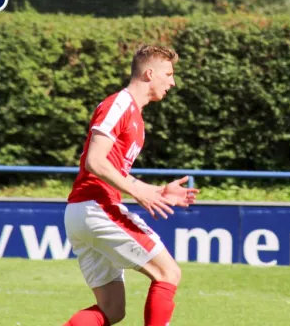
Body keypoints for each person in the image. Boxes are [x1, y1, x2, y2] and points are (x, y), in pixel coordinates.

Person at [63, 45, 199, 326]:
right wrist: (139, 190)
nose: (172, 81)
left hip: (82, 211)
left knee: (112, 310)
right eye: (169, 73)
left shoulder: (135, 115)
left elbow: (112, 168)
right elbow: (95, 161)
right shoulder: (119, 104)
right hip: (96, 207)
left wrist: (159, 192)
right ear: (150, 73)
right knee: (168, 273)